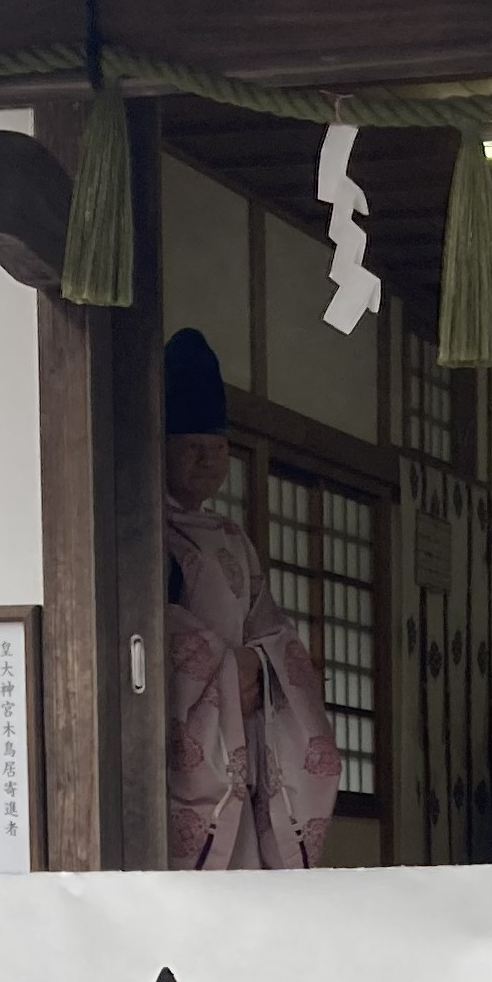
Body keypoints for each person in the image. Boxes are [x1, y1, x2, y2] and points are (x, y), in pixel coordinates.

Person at [162, 326, 339, 872]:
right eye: (193, 448)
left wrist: (260, 665)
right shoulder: (145, 533)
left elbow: (270, 625)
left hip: (242, 732)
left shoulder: (232, 537)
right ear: (161, 446)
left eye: (217, 449)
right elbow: (147, 631)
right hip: (188, 742)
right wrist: (221, 665)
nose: (208, 461)